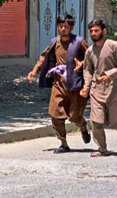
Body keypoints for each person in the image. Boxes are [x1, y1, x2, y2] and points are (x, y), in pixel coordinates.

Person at [28, 14, 91, 153]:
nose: (63, 29)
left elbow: (91, 57)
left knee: (74, 116)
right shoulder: (54, 42)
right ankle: (64, 143)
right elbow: (43, 57)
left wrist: (82, 63)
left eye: (66, 26)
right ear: (57, 27)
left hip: (75, 85)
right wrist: (34, 70)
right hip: (59, 84)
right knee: (55, 113)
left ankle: (82, 126)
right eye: (61, 26)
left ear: (71, 27)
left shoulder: (79, 42)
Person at [79, 19, 117, 157]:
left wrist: (109, 75)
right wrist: (86, 87)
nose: (93, 33)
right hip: (96, 90)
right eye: (91, 31)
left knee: (113, 122)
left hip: (114, 89)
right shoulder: (89, 51)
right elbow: (88, 71)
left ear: (104, 31)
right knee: (96, 121)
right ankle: (102, 149)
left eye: (96, 30)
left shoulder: (114, 46)